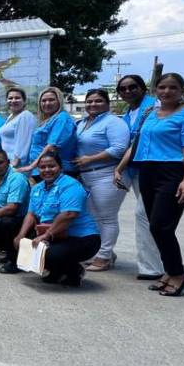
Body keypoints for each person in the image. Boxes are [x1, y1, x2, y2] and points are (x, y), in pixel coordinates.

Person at [114, 73, 184, 297]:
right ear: (156, 91)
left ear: (182, 90)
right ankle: (170, 272)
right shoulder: (150, 114)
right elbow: (136, 144)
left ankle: (178, 273)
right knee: (154, 223)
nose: (167, 92)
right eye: (162, 87)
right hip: (147, 170)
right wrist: (121, 168)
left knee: (161, 226)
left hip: (171, 171)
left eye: (173, 87)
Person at [15, 152, 101, 286]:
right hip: (56, 236)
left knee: (48, 253)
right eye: (43, 167)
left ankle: (74, 271)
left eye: (51, 166)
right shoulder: (37, 188)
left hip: (82, 238)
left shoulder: (70, 185)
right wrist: (21, 236)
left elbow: (69, 214)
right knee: (26, 245)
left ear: (60, 167)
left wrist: (46, 236)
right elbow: (31, 214)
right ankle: (57, 271)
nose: (47, 170)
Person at [73, 88, 131, 271]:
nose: (92, 104)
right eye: (89, 101)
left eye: (98, 101)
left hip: (108, 174)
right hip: (87, 175)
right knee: (94, 216)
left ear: (108, 103)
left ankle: (104, 257)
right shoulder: (82, 123)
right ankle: (105, 252)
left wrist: (90, 159)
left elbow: (120, 148)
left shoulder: (114, 122)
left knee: (107, 218)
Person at [116, 74, 162, 280]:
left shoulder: (152, 107)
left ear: (142, 88)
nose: (127, 91)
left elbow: (138, 141)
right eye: (123, 89)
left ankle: (152, 267)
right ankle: (153, 265)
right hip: (133, 169)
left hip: (152, 167)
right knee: (147, 216)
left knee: (145, 215)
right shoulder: (129, 112)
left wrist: (119, 168)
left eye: (132, 87)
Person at [19, 87, 77, 177]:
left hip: (55, 171)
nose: (47, 103)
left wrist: (31, 166)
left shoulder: (62, 118)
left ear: (59, 101)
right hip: (41, 170)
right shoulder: (48, 120)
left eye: (51, 100)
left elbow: (51, 147)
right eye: (44, 100)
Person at [0, 88, 36, 169]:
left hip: (17, 164)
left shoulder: (25, 115)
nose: (13, 100)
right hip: (7, 161)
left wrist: (15, 163)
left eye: (17, 98)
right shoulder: (11, 116)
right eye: (10, 98)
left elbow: (24, 141)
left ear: (24, 101)